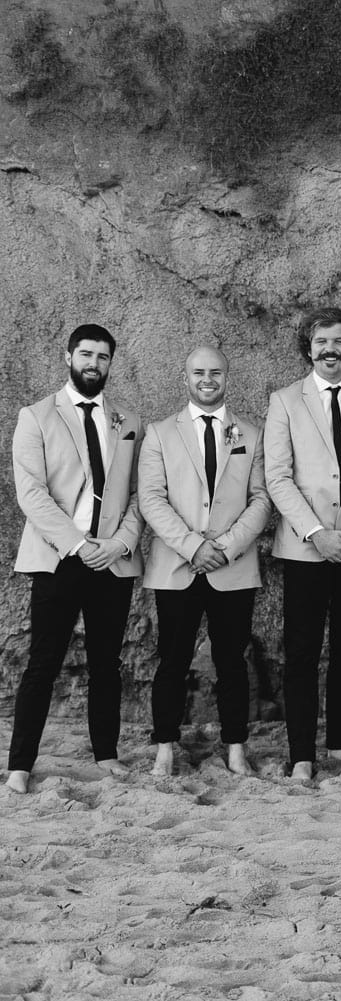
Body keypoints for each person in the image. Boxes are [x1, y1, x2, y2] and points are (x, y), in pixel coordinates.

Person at [6, 324, 143, 794]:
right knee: (43, 663)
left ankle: (106, 754)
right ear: (68, 357)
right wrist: (78, 544)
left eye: (103, 357)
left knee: (107, 663)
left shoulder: (129, 421)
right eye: (86, 354)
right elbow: (31, 494)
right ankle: (21, 765)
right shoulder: (37, 416)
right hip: (59, 557)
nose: (94, 364)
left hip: (111, 560)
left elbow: (142, 495)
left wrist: (118, 544)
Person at [264, 307, 341, 780]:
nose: (330, 350)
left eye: (338, 341)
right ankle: (301, 754)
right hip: (305, 548)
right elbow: (277, 477)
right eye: (321, 343)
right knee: (301, 651)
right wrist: (317, 533)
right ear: (309, 348)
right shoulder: (285, 401)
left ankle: (338, 744)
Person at [139, 346, 272, 777]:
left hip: (232, 567)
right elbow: (151, 499)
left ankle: (235, 746)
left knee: (233, 662)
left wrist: (227, 546)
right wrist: (193, 546)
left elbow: (261, 499)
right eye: (199, 372)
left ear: (226, 378)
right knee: (172, 661)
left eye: (215, 372)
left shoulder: (251, 434)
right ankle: (164, 747)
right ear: (186, 378)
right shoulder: (159, 434)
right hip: (177, 566)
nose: (207, 379)